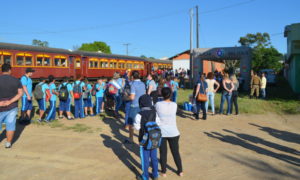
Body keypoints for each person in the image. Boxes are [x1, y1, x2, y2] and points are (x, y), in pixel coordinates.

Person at [155, 87, 183, 177]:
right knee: (175, 152)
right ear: (170, 94)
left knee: (163, 153)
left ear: (161, 94)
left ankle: (163, 172)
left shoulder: (158, 104)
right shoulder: (174, 105)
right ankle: (180, 171)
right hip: (173, 132)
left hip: (162, 132)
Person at [134, 94, 160, 180]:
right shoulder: (154, 112)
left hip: (144, 140)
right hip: (154, 138)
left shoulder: (139, 114)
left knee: (145, 159)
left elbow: (137, 127)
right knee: (154, 157)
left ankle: (145, 176)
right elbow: (158, 124)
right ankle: (155, 174)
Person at [0, 63, 23, 148]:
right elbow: (20, 93)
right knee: (10, 125)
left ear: (1, 70)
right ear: (10, 70)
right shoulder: (16, 80)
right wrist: (10, 101)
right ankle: (8, 143)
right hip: (12, 107)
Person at [125, 71, 146, 144]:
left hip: (134, 105)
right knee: (141, 122)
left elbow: (132, 97)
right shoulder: (143, 84)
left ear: (132, 77)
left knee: (131, 123)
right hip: (142, 105)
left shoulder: (133, 84)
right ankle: (142, 138)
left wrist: (126, 96)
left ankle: (131, 138)